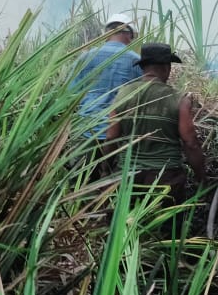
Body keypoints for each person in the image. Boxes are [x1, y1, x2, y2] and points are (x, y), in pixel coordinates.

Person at [106, 42, 207, 208]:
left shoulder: (123, 94)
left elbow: (111, 136)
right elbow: (191, 143)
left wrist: (106, 169)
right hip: (166, 181)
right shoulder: (178, 99)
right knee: (167, 232)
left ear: (143, 67)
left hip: (127, 178)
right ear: (167, 68)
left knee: (123, 229)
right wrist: (201, 177)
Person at [69, 12, 142, 143]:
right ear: (128, 34)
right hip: (120, 135)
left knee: (85, 164)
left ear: (107, 33)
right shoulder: (137, 61)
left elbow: (70, 93)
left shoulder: (85, 58)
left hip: (85, 131)